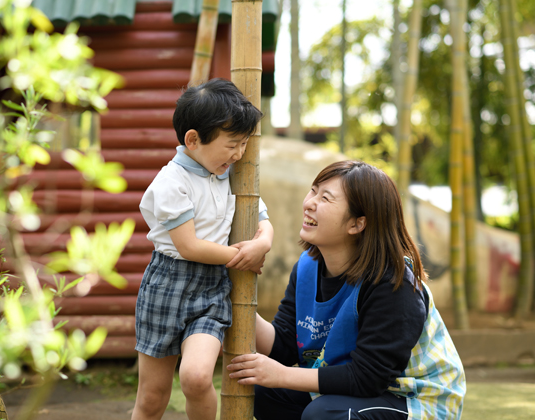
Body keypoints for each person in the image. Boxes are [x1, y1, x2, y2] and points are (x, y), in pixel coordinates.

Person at [227, 160, 466, 420]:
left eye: (326, 198)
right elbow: (285, 345)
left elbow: (368, 378)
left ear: (357, 224)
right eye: (314, 190)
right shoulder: (307, 267)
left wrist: (280, 374)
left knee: (324, 415)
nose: (310, 203)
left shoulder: (393, 283)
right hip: (356, 392)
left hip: (414, 399)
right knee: (265, 392)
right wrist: (232, 303)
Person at [132, 78, 274, 420]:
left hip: (211, 289)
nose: (239, 154)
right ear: (193, 140)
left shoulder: (231, 174)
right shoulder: (171, 182)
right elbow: (189, 246)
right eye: (231, 144)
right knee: (152, 397)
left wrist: (264, 242)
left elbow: (262, 218)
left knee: (196, 378)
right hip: (167, 284)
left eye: (243, 144)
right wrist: (242, 257)